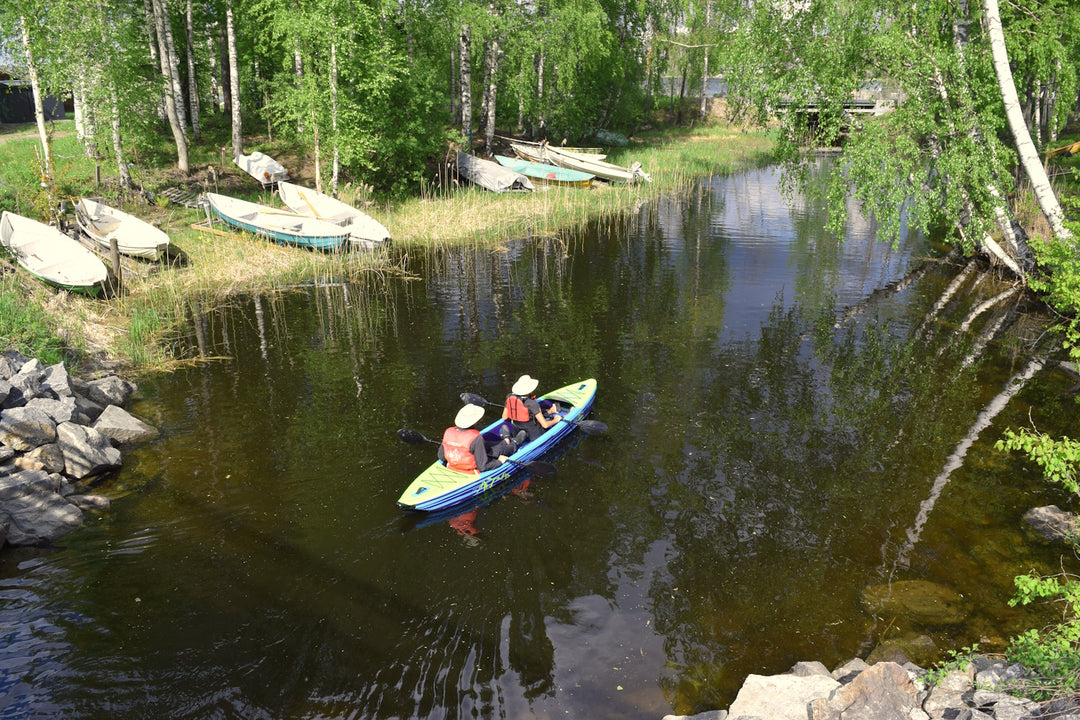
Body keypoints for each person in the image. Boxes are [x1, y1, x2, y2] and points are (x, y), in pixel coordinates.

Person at [439, 403, 510, 474]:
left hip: (451, 467)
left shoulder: (448, 431)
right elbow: (483, 467)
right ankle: (512, 442)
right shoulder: (476, 438)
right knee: (500, 450)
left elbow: (441, 456)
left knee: (489, 445)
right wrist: (500, 461)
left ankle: (506, 441)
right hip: (471, 473)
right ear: (475, 421)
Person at [502, 374, 561, 442]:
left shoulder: (509, 398)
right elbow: (545, 425)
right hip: (534, 435)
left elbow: (505, 417)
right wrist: (556, 420)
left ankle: (551, 410)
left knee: (533, 413)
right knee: (557, 419)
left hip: (518, 432)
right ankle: (561, 413)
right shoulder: (532, 403)